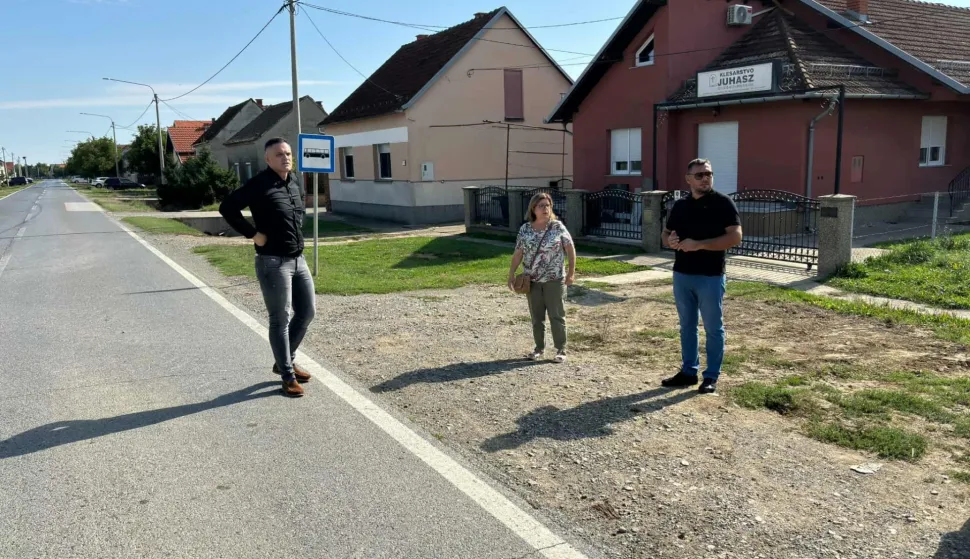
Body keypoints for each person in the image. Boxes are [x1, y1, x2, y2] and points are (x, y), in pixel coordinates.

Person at [219, 138, 316, 397]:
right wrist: (254, 234)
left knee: (306, 312)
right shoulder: (259, 184)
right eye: (279, 154)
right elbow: (227, 208)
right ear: (268, 159)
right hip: (272, 261)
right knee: (280, 318)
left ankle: (286, 360)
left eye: (288, 153)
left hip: (298, 259)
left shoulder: (293, 180)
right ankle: (287, 375)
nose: (285, 157)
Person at [661, 158, 742, 394]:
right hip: (682, 274)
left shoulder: (723, 203)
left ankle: (711, 377)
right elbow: (665, 234)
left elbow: (736, 236)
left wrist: (700, 245)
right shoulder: (681, 205)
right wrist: (670, 241)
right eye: (699, 175)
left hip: (711, 276)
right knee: (687, 326)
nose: (705, 178)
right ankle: (688, 372)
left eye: (708, 174)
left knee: (713, 328)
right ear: (688, 179)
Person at [508, 192, 576, 363]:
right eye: (541, 206)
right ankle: (539, 348)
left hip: (554, 279)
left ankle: (561, 350)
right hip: (532, 280)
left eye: (548, 205)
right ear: (533, 208)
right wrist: (511, 274)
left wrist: (571, 272)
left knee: (557, 315)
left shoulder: (557, 227)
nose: (545, 209)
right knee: (537, 317)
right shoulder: (525, 229)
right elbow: (518, 253)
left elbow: (570, 249)